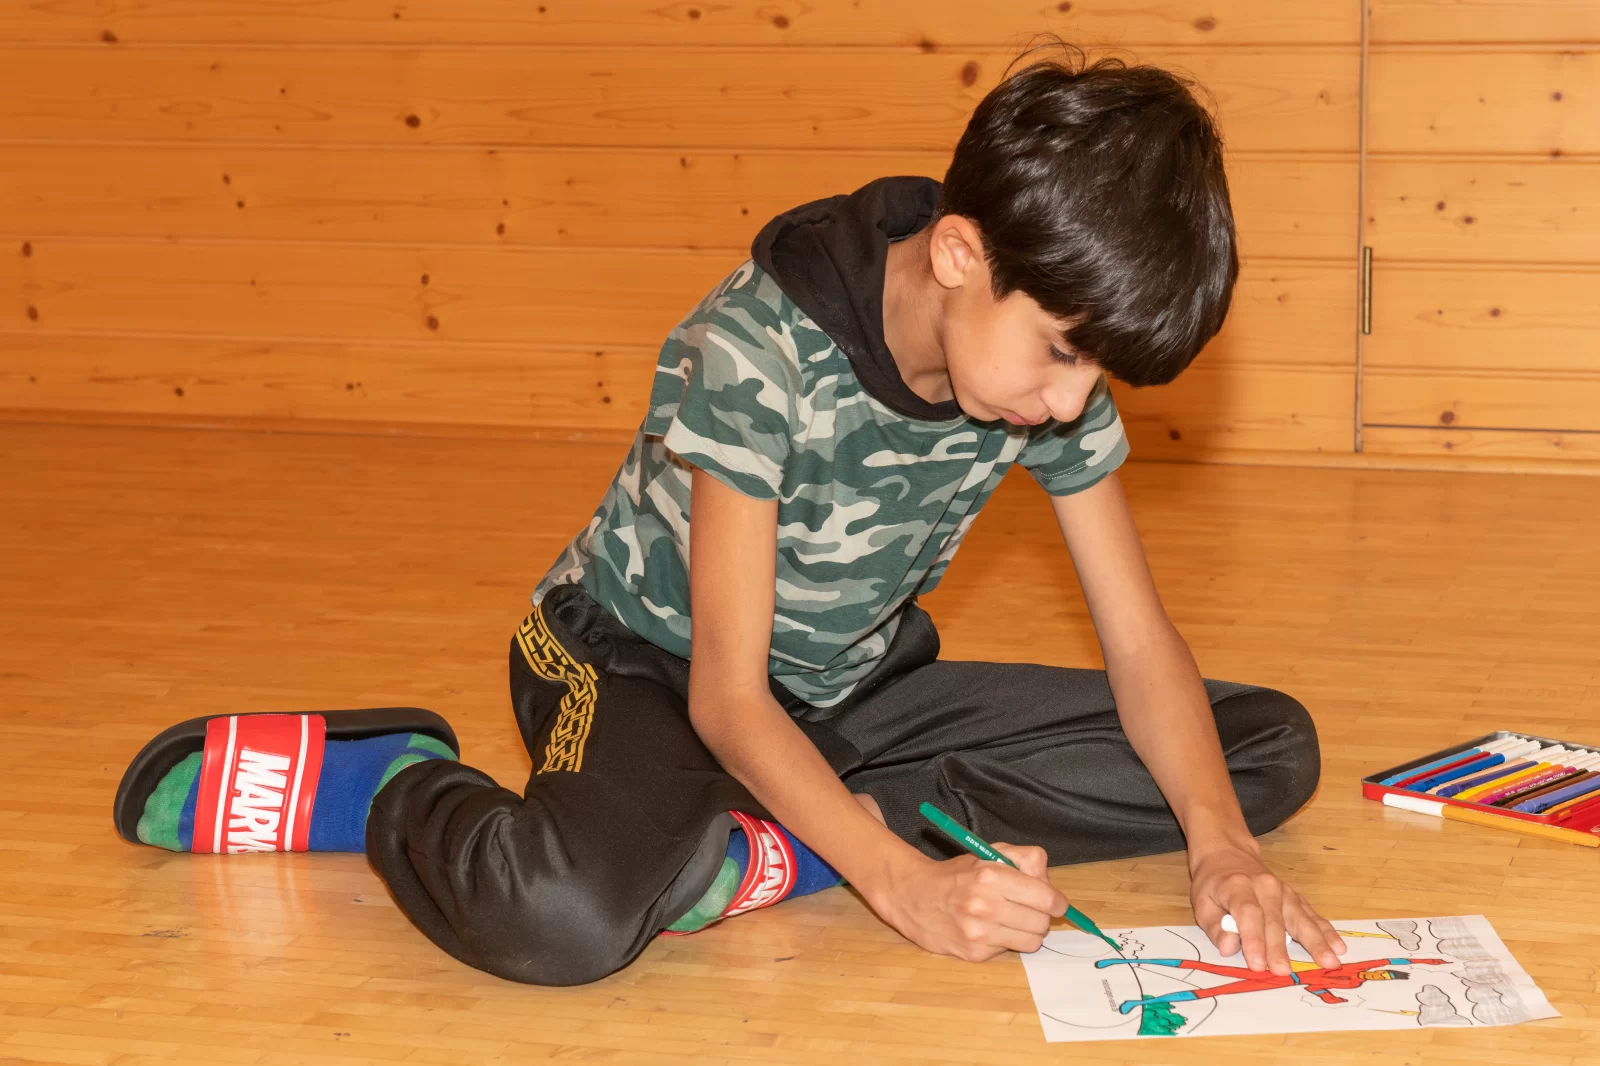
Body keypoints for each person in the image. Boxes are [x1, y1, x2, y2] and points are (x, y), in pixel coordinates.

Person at [114, 43, 1345, 987]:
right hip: (642, 666)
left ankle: (782, 838)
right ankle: (390, 784)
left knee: (1257, 753)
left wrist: (1222, 848)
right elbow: (728, 698)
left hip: (842, 693)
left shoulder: (1033, 364)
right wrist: (900, 886)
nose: (1071, 402)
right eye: (1063, 353)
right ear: (961, 256)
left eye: (1095, 370)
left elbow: (1137, 641)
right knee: (564, 917)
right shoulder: (759, 348)